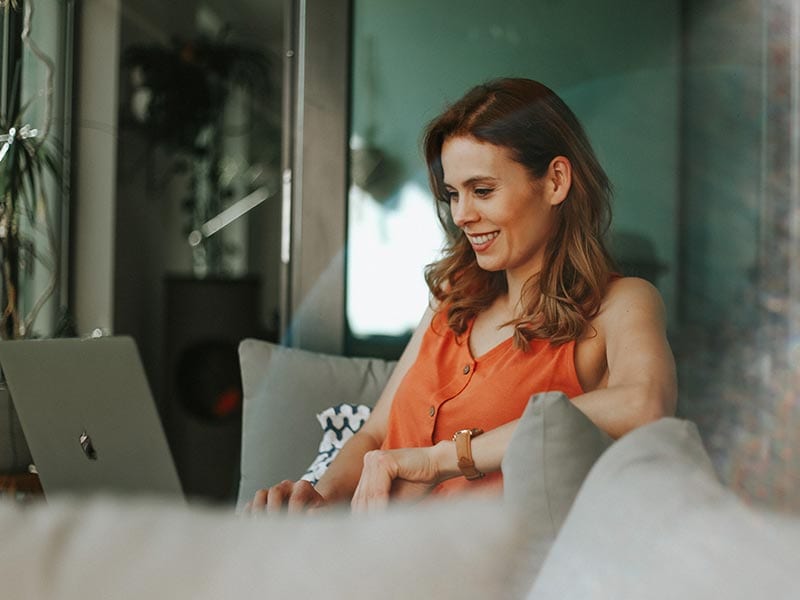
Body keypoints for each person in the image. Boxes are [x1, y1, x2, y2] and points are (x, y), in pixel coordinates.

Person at [246, 77, 677, 514]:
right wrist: (316, 499)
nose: (462, 215)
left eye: (482, 190)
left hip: (468, 552)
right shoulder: (453, 295)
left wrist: (442, 460)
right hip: (364, 543)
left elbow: (645, 404)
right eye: (453, 194)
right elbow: (376, 434)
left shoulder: (620, 304)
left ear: (555, 181)